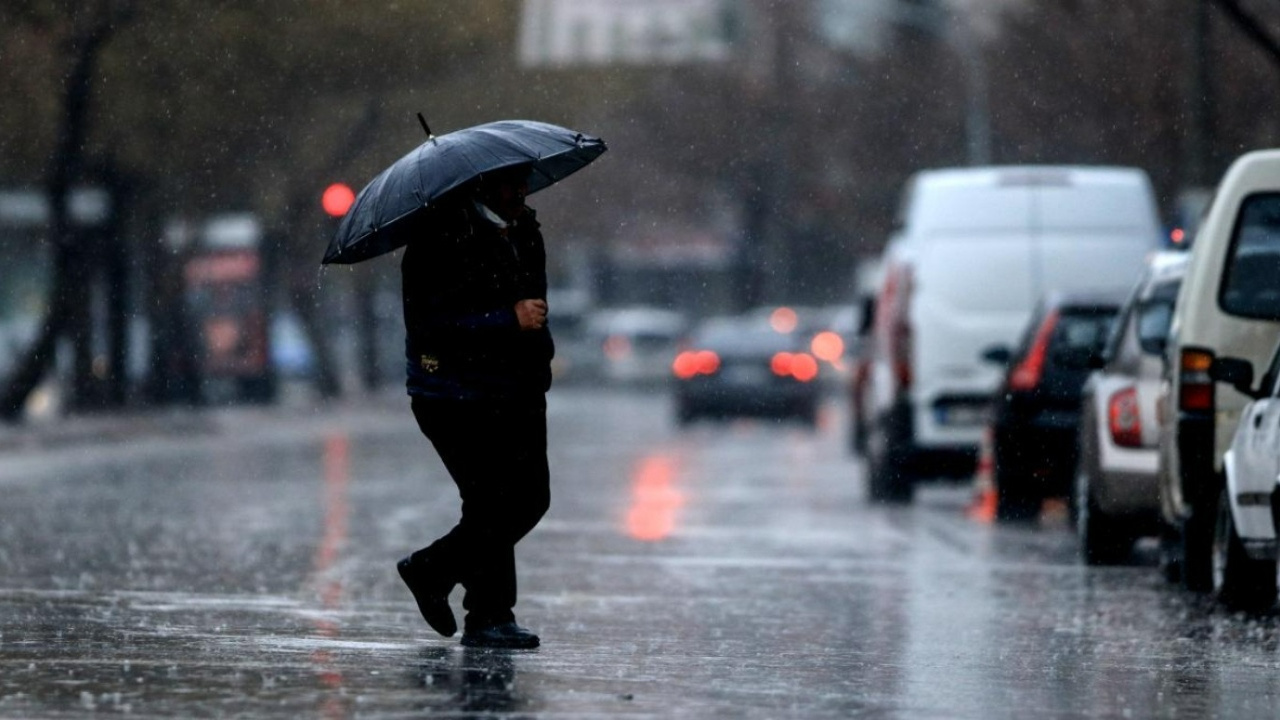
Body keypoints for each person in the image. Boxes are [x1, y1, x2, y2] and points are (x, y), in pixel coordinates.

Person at [396, 163, 552, 649]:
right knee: (494, 501)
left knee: (527, 499)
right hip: (454, 395)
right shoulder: (438, 238)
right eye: (510, 182)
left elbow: (535, 305)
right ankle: (481, 608)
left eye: (524, 180)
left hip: (517, 389)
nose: (521, 190)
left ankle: (459, 591)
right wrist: (506, 320)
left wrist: (537, 354)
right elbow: (430, 327)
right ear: (481, 184)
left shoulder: (526, 229)